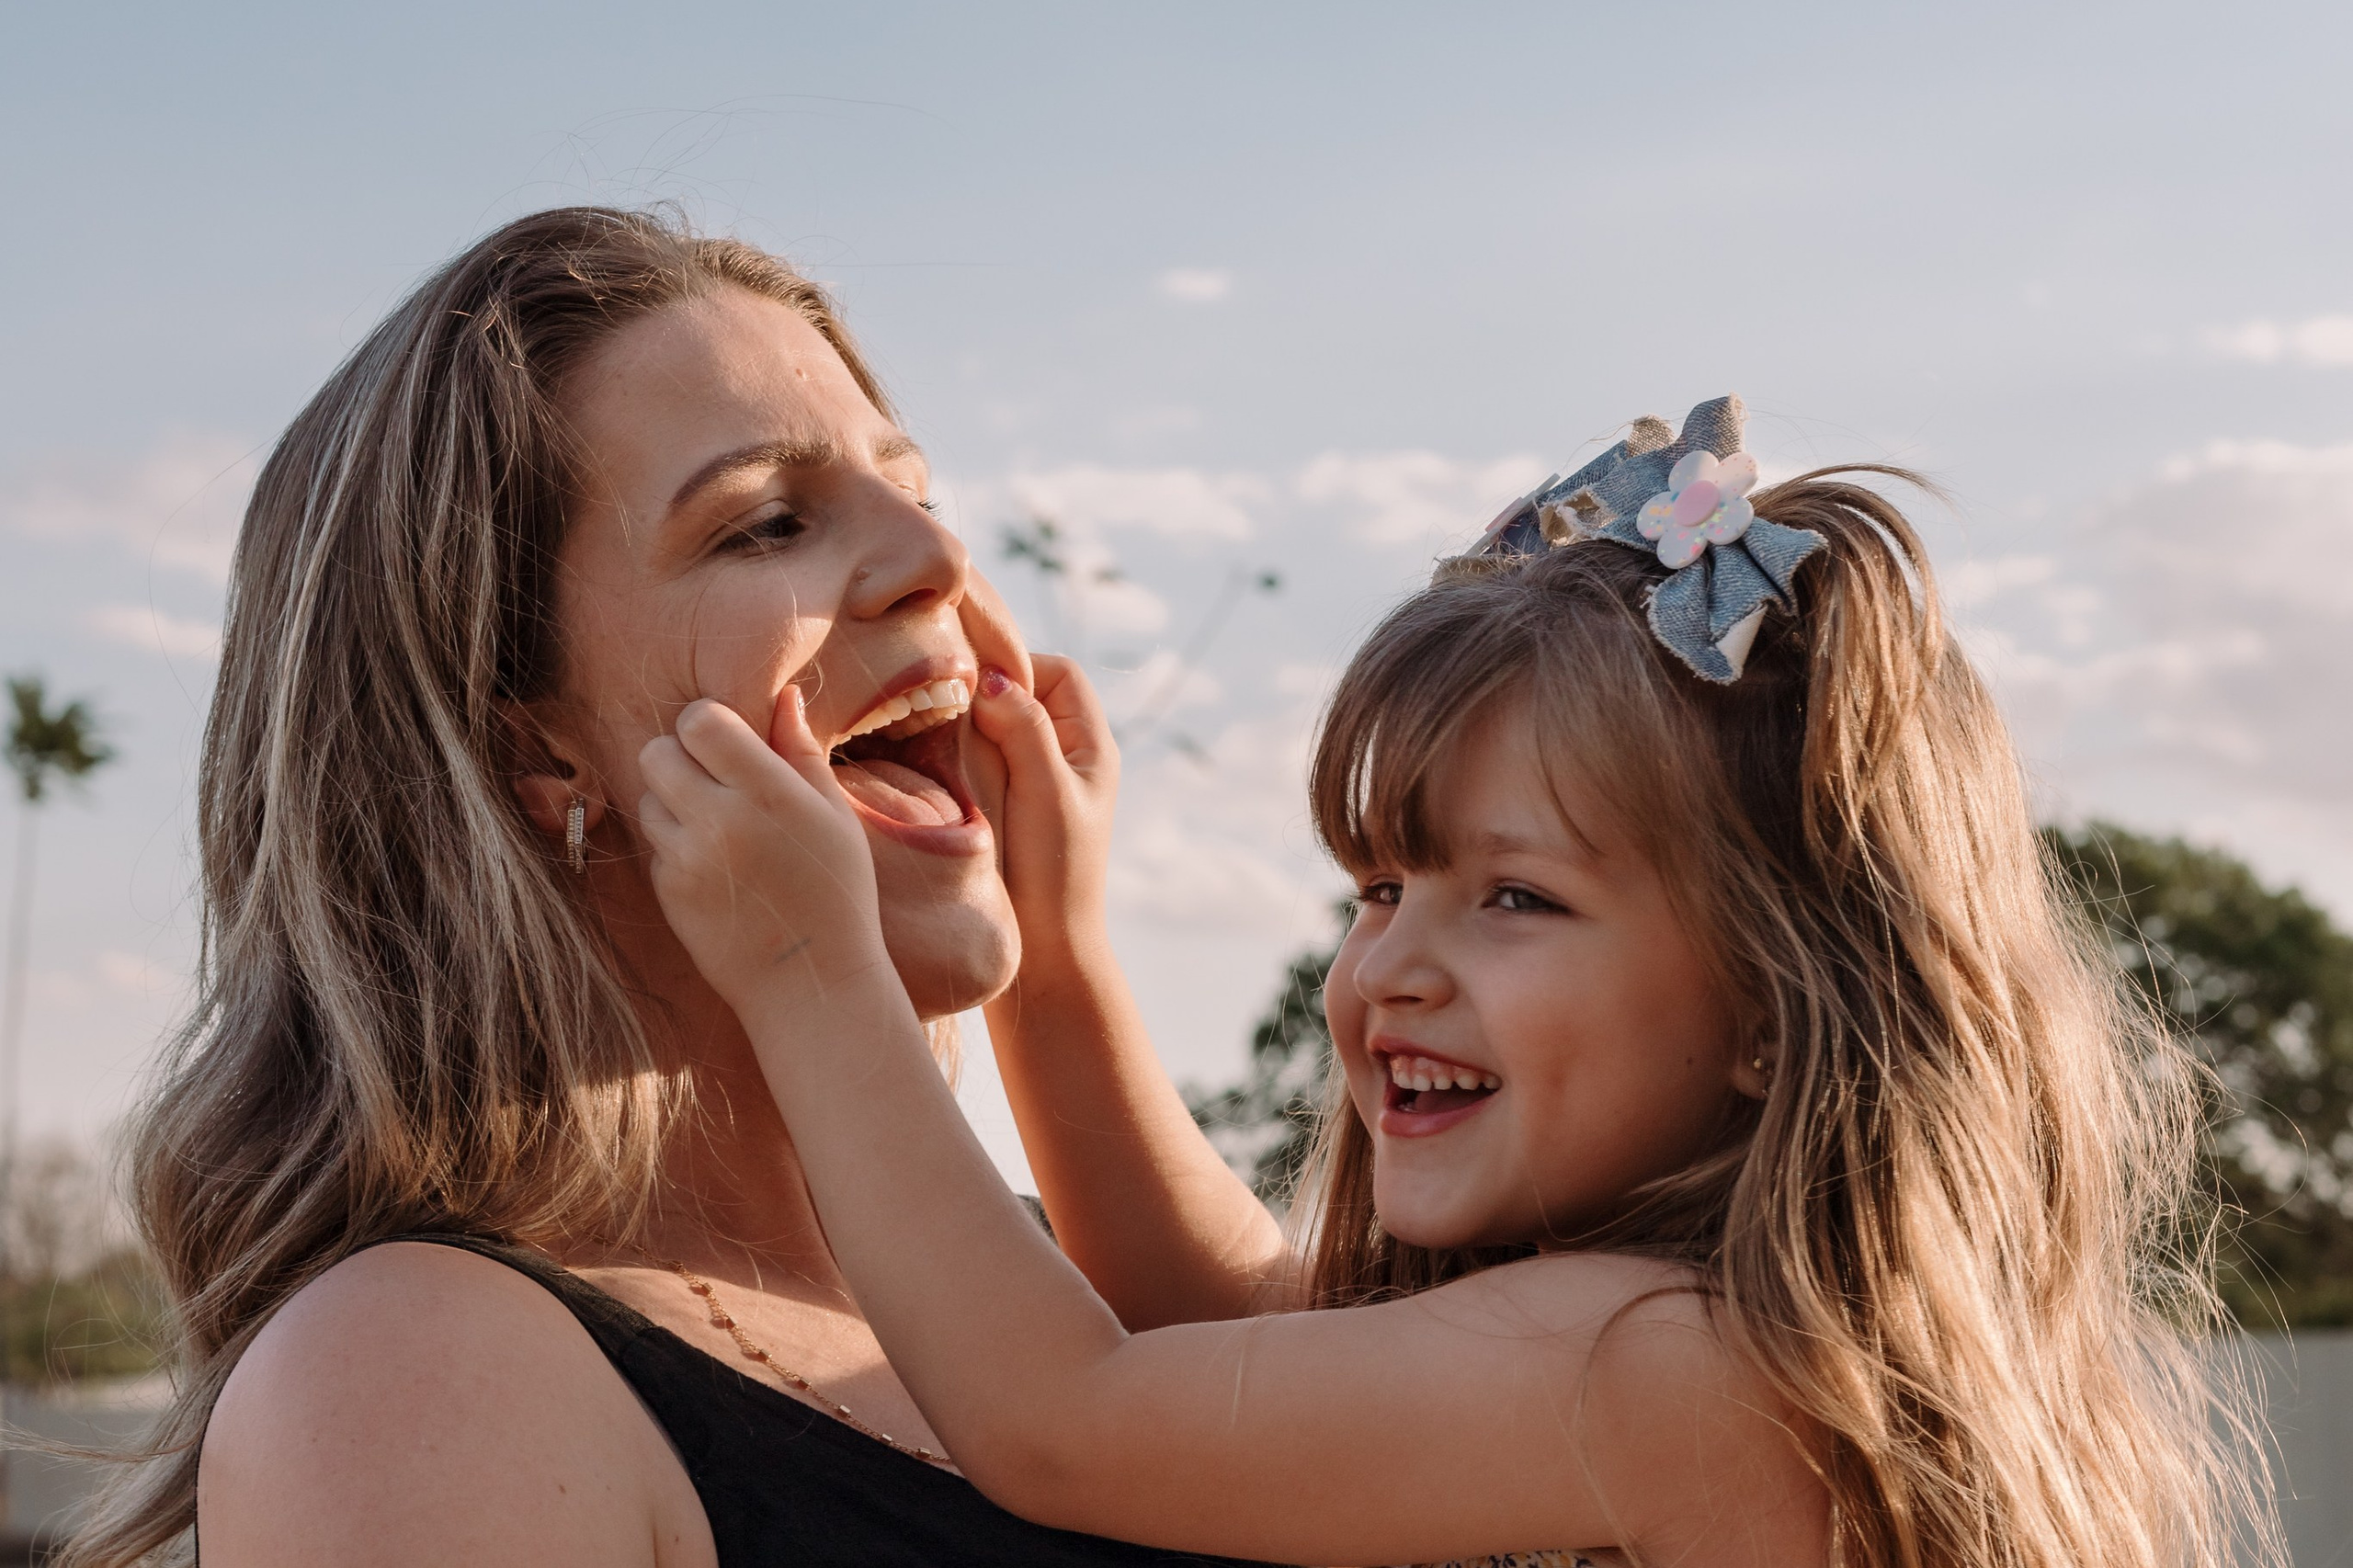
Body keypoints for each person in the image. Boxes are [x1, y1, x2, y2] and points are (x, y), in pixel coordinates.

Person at [632, 398, 2271, 1568]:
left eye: (1514, 897)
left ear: (1773, 1011)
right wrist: (1050, 969)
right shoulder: (1696, 1337)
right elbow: (1230, 1335)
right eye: (1379, 886)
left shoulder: (1673, 1361)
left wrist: (812, 973)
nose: (1392, 966)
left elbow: (1068, 1419)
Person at [63, 206, 1278, 1568]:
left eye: (919, 494)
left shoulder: (1076, 1300)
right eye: (767, 524)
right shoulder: (414, 1371)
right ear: (533, 744)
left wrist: (1058, 960)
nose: (937, 560)